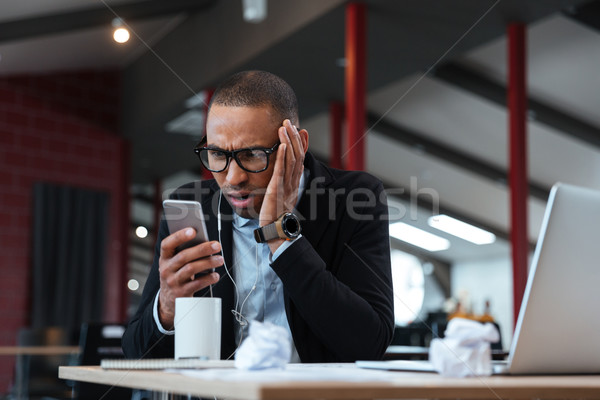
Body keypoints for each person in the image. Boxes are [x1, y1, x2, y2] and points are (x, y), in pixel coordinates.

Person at [122, 70, 394, 362]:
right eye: (216, 154)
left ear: (297, 145)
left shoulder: (356, 198)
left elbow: (369, 343)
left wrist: (281, 234)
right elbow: (136, 354)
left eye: (252, 154)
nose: (233, 178)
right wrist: (166, 310)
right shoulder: (190, 206)